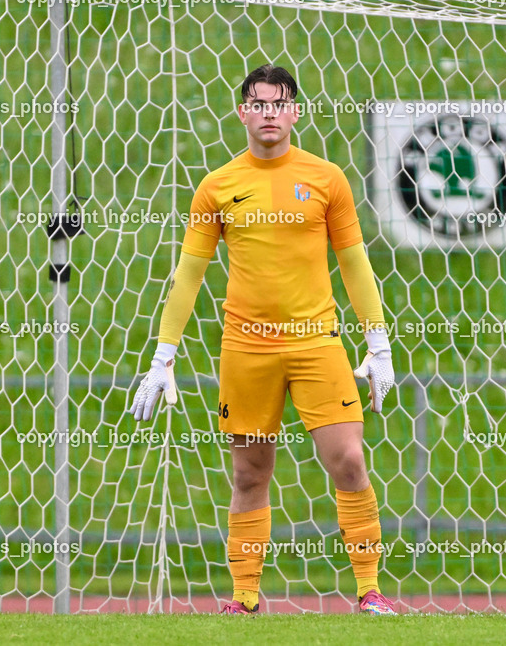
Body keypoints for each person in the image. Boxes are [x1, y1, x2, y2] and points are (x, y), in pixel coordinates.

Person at [130, 64, 397, 615]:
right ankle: (244, 599)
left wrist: (378, 343)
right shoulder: (218, 186)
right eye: (258, 103)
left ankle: (370, 592)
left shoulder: (327, 179)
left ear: (296, 111)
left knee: (347, 458)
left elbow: (354, 263)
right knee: (250, 472)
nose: (269, 112)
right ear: (242, 113)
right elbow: (189, 273)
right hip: (246, 348)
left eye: (279, 103)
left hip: (317, 342)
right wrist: (163, 354)